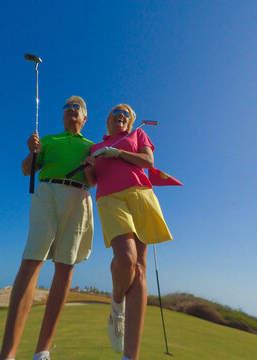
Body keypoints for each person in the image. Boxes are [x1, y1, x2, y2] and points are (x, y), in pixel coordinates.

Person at [0, 96, 94, 360]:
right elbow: (26, 169)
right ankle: (7, 355)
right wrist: (32, 150)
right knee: (31, 261)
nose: (70, 111)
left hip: (79, 197)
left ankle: (42, 353)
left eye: (76, 108)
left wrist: (92, 167)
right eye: (66, 107)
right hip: (47, 192)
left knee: (65, 266)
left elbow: (95, 181)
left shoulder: (92, 146)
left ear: (85, 118)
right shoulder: (49, 140)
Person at [83, 104, 172, 360]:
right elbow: (91, 181)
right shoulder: (94, 147)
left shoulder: (137, 136)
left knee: (140, 268)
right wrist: (91, 164)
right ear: (108, 120)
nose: (121, 115)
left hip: (140, 194)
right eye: (116, 113)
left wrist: (117, 153)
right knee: (126, 258)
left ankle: (130, 356)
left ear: (131, 123)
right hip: (109, 198)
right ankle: (117, 302)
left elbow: (148, 161)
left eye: (126, 114)